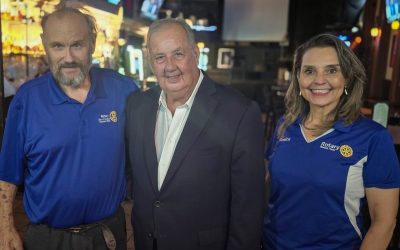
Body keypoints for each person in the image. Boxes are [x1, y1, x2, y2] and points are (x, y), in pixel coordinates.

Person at [0, 4, 138, 250]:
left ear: (92, 43)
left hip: (108, 235)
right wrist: (5, 227)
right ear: (45, 46)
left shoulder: (123, 90)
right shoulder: (26, 100)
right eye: (58, 46)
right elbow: (7, 174)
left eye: (77, 45)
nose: (69, 58)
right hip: (48, 239)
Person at [125, 18, 265, 250]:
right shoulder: (137, 106)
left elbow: (248, 209)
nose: (169, 66)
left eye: (178, 54)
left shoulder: (238, 112)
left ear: (195, 53)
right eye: (160, 57)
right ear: (151, 62)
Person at [263, 33, 400, 250]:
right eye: (309, 71)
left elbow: (384, 223)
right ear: (298, 78)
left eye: (331, 70)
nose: (319, 80)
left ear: (347, 77)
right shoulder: (284, 126)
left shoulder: (373, 138)